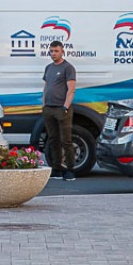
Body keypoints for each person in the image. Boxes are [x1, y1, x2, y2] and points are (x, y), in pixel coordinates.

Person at [42, 40, 77, 181]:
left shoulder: (68, 68)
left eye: (56, 51)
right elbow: (46, 87)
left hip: (61, 109)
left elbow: (71, 89)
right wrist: (44, 105)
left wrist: (65, 107)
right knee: (53, 140)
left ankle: (70, 170)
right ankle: (56, 169)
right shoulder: (48, 68)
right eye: (51, 51)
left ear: (62, 51)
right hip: (49, 109)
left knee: (66, 140)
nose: (53, 54)